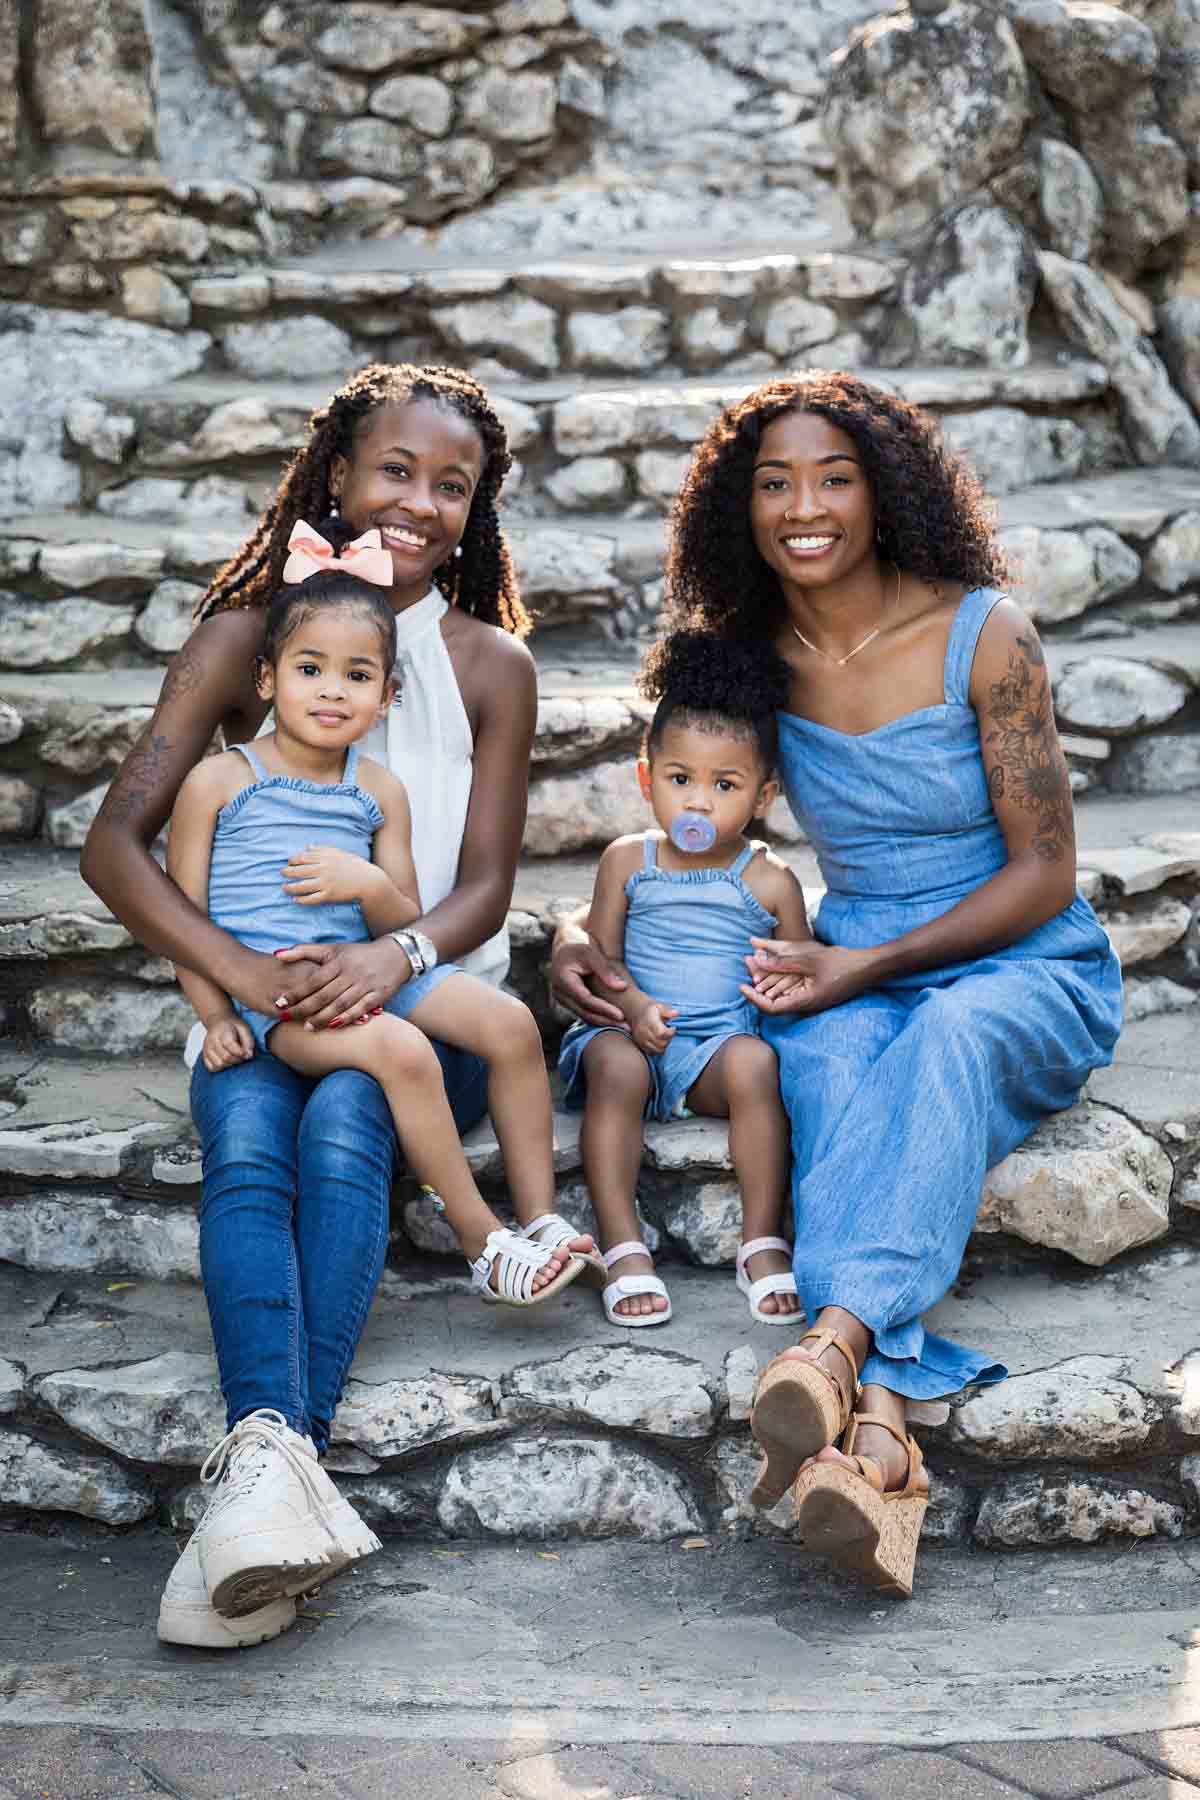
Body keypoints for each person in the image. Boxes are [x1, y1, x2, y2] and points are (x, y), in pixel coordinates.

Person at [553, 371, 1123, 1597]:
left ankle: (835, 1339)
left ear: (886, 491)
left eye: (833, 477)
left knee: (949, 1040)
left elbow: (1046, 870)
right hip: (852, 964)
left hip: (1021, 964)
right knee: (813, 1059)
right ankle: (877, 1446)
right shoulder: (749, 661)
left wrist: (867, 962)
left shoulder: (985, 631)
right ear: (737, 510)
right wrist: (571, 932)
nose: (802, 507)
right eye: (772, 485)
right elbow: (673, 819)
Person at [81, 363, 597, 1650]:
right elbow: (115, 849)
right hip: (257, 1004)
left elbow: (482, 889)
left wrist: (396, 952)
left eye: (453, 486)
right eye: (394, 472)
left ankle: (267, 1478)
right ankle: (277, 1485)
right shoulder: (245, 638)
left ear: (479, 512)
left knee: (346, 1125)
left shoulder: (490, 661)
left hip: (417, 1003)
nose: (420, 502)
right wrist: (244, 979)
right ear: (335, 477)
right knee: (253, 1149)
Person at [168, 551, 591, 1317]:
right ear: (267, 678)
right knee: (400, 1050)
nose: (334, 690)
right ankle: (482, 1243)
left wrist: (367, 887)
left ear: (388, 696)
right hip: (283, 996)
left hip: (371, 971)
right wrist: (219, 1016)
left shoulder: (377, 790)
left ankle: (541, 1217)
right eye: (310, 669)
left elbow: (404, 916)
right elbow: (184, 920)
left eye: (359, 676)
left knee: (510, 1022)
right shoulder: (219, 782)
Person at [557, 631, 806, 1328]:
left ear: (763, 794)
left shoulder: (769, 880)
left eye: (724, 786)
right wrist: (631, 1006)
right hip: (628, 1034)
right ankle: (621, 1239)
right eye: (680, 779)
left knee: (756, 1064)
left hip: (713, 1047)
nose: (698, 804)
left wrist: (780, 984)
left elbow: (799, 970)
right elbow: (599, 960)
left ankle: (760, 1238)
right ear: (647, 777)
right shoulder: (627, 862)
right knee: (614, 1067)